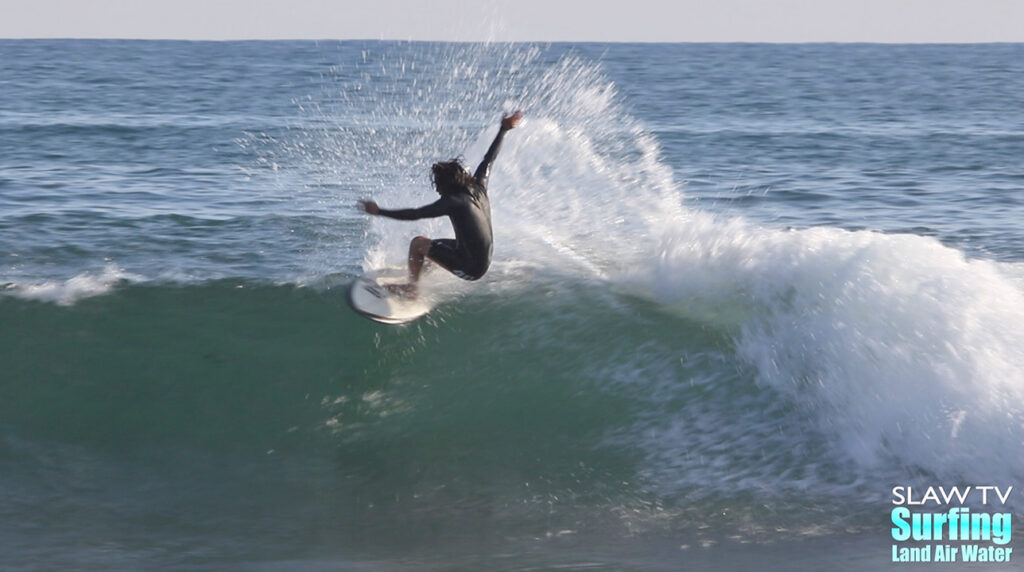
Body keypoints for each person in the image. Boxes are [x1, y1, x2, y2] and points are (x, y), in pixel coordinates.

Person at [359, 110, 523, 297]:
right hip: (481, 257)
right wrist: (503, 129)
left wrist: (379, 211)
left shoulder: (453, 202)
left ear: (446, 185)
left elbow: (416, 214)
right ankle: (422, 272)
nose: (437, 190)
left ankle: (411, 290)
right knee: (432, 246)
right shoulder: (478, 186)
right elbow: (489, 159)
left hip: (472, 269)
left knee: (418, 244)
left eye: (437, 186)